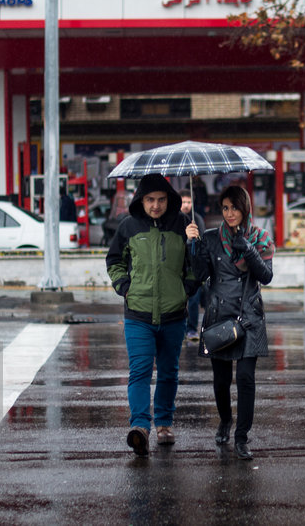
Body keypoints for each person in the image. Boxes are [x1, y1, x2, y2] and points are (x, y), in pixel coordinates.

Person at [106, 173, 197, 456]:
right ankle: (140, 427)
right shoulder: (128, 226)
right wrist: (124, 287)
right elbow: (114, 260)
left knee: (169, 373)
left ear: (168, 199)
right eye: (150, 200)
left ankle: (165, 424)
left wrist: (187, 288)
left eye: (160, 199)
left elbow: (195, 265)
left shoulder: (183, 224)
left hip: (173, 314)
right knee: (140, 371)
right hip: (138, 314)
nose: (155, 205)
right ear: (140, 200)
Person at [187, 185, 274, 461]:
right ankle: (225, 420)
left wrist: (248, 250)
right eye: (225, 208)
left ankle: (241, 437)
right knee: (222, 380)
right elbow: (200, 276)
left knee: (246, 378)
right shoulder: (212, 238)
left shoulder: (260, 237)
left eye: (234, 207)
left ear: (245, 208)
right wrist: (194, 249)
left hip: (248, 316)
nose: (229, 213)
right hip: (220, 316)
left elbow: (266, 276)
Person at [180, 189, 206, 341]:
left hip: (192, 266)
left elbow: (202, 242)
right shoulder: (174, 219)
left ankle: (191, 329)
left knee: (194, 300)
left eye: (189, 202)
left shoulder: (197, 219)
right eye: (183, 202)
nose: (186, 205)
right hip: (177, 266)